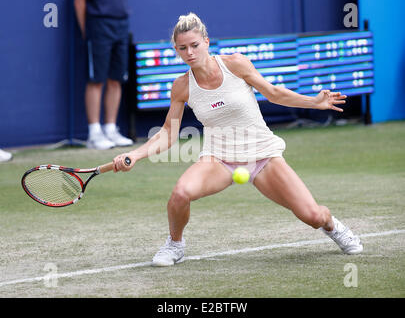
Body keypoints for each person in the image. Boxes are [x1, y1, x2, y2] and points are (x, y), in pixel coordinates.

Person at [113, 13, 363, 266]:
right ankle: (175, 245)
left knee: (313, 216)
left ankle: (332, 226)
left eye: (195, 45)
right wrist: (135, 155)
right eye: (183, 48)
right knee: (180, 193)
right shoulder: (181, 87)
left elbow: (274, 94)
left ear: (207, 42)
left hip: (263, 154)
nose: (189, 52)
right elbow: (168, 132)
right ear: (177, 50)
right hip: (219, 159)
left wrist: (314, 102)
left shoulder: (235, 64)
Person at [74, 0, 133, 150]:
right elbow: (79, 1)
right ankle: (94, 133)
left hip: (121, 23)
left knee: (116, 80)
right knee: (96, 80)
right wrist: (86, 32)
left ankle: (110, 129)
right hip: (98, 24)